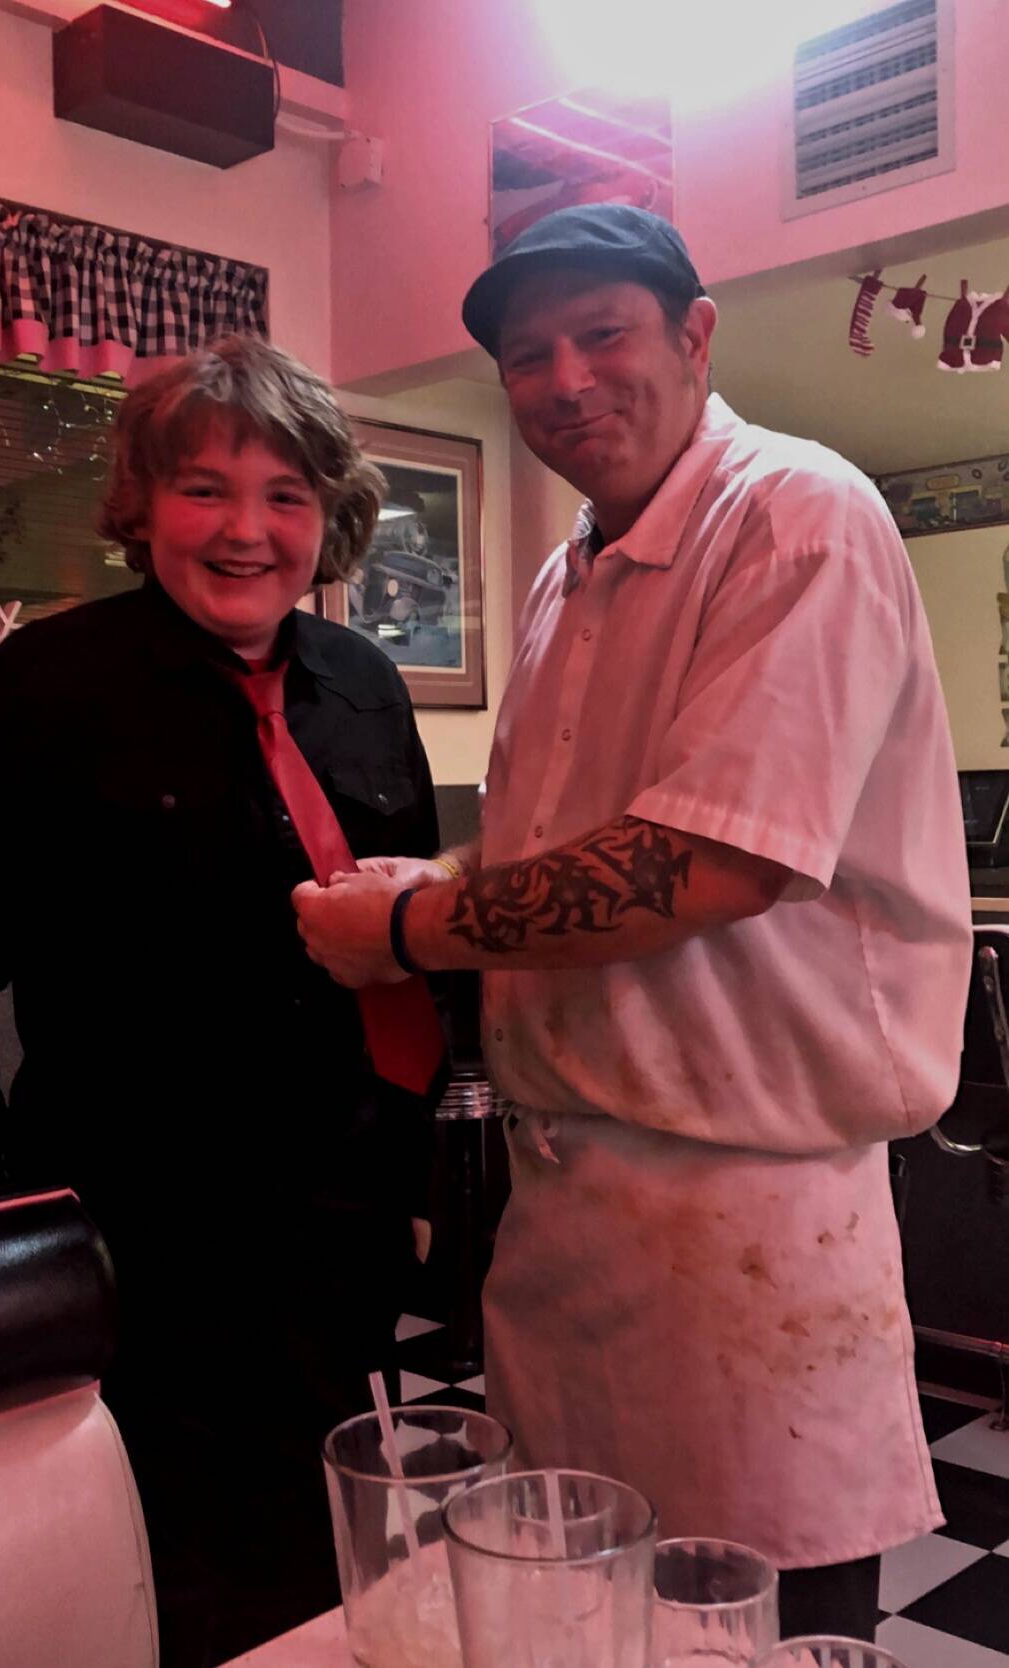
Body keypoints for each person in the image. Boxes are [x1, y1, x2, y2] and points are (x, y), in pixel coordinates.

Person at [294, 204, 972, 1642]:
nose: (564, 380)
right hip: (570, 1203)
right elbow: (571, 842)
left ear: (694, 334)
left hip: (746, 1202)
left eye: (601, 332)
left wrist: (412, 936)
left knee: (748, 1620)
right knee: (588, 1619)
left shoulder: (796, 511)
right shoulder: (563, 574)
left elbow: (711, 867)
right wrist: (436, 883)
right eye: (526, 356)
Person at [0, 336, 446, 1667]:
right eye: (205, 488)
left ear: (329, 516)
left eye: (286, 494)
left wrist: (418, 1168)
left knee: (330, 1541)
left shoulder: (364, 687)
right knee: (165, 1570)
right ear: (142, 506)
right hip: (145, 1233)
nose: (247, 529)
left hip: (340, 1216)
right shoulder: (49, 687)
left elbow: (415, 950)